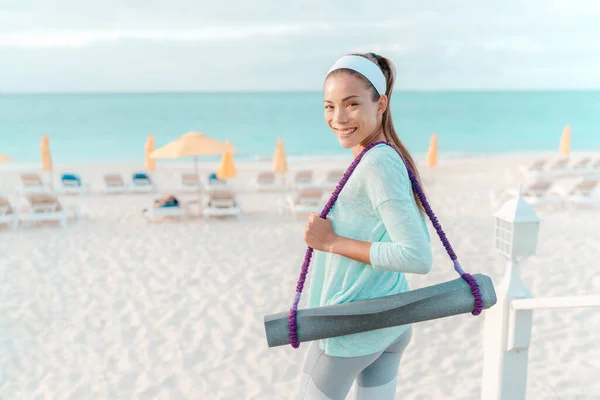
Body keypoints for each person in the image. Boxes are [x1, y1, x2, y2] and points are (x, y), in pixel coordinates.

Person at [298, 53, 433, 399]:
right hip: (387, 321)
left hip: (354, 328)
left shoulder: (377, 163)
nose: (338, 118)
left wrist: (331, 243)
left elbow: (417, 256)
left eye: (352, 104)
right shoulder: (382, 154)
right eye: (329, 106)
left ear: (381, 103)